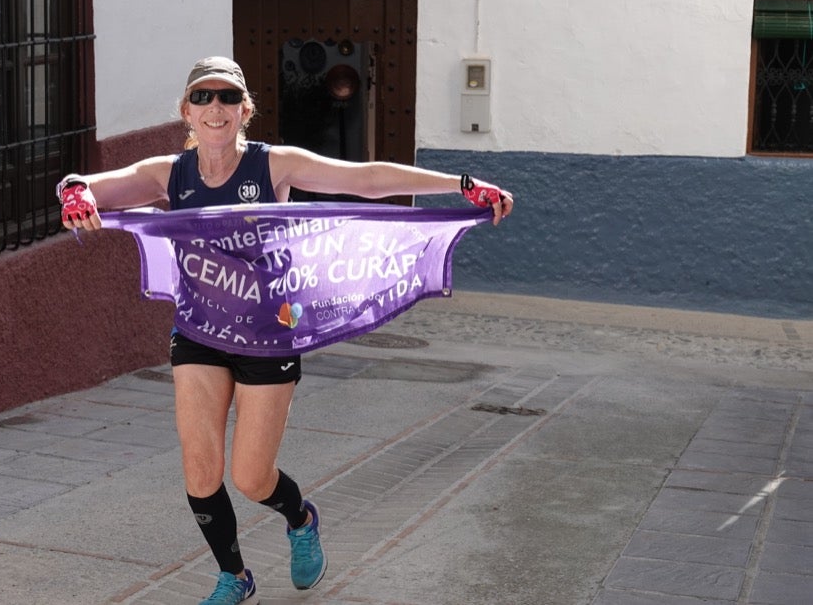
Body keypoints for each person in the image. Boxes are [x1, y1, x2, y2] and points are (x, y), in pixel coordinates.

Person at [57, 56, 513, 605]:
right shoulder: (168, 174)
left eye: (227, 97)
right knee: (200, 466)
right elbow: (92, 186)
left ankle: (299, 518)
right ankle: (234, 577)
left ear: (244, 110)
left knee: (251, 477)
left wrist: (459, 184)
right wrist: (75, 192)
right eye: (202, 98)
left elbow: (364, 179)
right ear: (186, 112)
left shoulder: (273, 166)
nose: (215, 108)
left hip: (268, 332)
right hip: (200, 331)